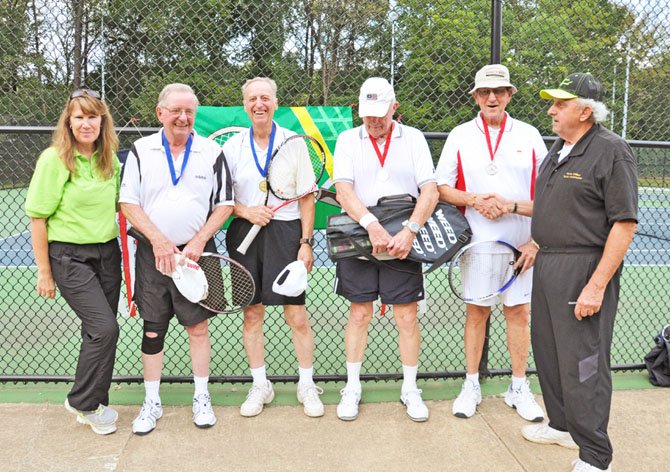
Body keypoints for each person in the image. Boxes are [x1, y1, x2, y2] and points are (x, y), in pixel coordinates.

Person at [521, 73, 638, 472]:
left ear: (585, 111)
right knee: (550, 353)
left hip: (583, 268)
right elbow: (557, 208)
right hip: (548, 265)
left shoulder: (611, 151)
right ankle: (563, 426)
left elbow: (624, 224)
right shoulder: (560, 148)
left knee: (583, 361)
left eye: (561, 104)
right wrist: (535, 240)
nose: (551, 110)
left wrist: (596, 284)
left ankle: (594, 455)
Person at [119, 83, 234, 434]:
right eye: (176, 111)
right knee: (153, 330)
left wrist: (198, 241)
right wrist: (158, 241)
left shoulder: (212, 151)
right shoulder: (140, 150)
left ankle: (202, 397)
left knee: (198, 327)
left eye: (189, 112)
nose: (183, 118)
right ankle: (151, 402)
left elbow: (225, 203)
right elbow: (128, 202)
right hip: (155, 256)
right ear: (161, 114)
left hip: (197, 255)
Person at [435, 64, 547, 421]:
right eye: (485, 92)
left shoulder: (529, 135)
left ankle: (518, 386)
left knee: (518, 313)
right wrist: (474, 200)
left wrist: (536, 242)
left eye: (499, 91)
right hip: (477, 245)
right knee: (476, 312)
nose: (492, 97)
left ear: (510, 94)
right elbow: (442, 187)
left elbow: (548, 193)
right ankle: (471, 384)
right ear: (475, 97)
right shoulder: (460, 134)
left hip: (522, 245)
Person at [332, 77, 439, 422]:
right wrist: (370, 225)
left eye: (380, 113)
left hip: (402, 239)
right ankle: (352, 386)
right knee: (360, 313)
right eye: (367, 115)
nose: (374, 121)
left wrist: (411, 230)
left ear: (395, 107)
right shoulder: (349, 139)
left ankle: (410, 388)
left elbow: (430, 190)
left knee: (406, 315)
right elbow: (344, 191)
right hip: (361, 235)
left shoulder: (415, 139)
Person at [222, 77, 323, 418]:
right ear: (246, 104)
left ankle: (306, 383)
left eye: (265, 98)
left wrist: (306, 243)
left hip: (286, 234)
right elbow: (222, 199)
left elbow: (307, 196)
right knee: (252, 313)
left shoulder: (293, 143)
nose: (259, 104)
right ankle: (260, 384)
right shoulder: (233, 146)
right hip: (243, 233)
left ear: (275, 103)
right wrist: (246, 210)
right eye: (252, 99)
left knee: (295, 314)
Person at [25, 89, 122, 435]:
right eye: (79, 117)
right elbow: (38, 218)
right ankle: (82, 400)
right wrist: (44, 272)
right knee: (105, 328)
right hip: (69, 257)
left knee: (99, 329)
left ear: (102, 121)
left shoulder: (109, 158)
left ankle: (95, 401)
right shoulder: (55, 160)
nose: (86, 123)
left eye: (92, 116)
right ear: (68, 121)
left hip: (108, 254)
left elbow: (122, 206)